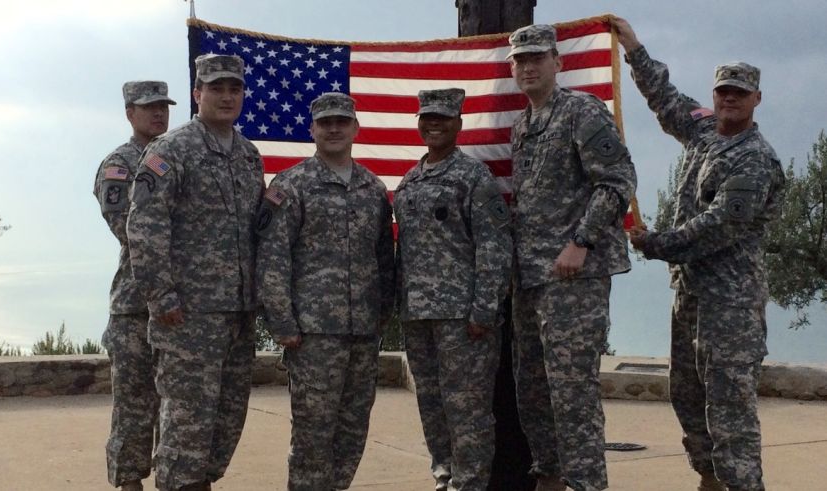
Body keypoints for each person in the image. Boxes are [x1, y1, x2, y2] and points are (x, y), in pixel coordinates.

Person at [613, 18, 786, 491]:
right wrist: (633, 49)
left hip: (730, 304)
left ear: (756, 99)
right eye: (722, 92)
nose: (729, 99)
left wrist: (655, 243)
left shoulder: (754, 157)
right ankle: (709, 479)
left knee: (730, 409)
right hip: (689, 294)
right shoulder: (705, 132)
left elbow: (718, 228)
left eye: (739, 92)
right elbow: (666, 101)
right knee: (687, 396)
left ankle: (743, 485)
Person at [506, 24, 637, 491]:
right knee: (533, 388)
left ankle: (586, 484)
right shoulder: (523, 125)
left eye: (538, 57)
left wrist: (580, 242)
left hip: (574, 277)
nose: (529, 66)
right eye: (521, 60)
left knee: (572, 392)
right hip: (532, 278)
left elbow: (618, 181)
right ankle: (550, 476)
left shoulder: (581, 111)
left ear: (557, 63)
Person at [126, 54, 265, 491]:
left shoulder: (247, 155)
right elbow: (144, 228)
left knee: (226, 420)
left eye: (235, 89)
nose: (227, 97)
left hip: (239, 314)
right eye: (217, 88)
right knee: (186, 426)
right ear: (197, 94)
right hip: (188, 316)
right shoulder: (171, 150)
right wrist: (161, 298)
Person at [256, 92, 395, 491]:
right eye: (326, 122)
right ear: (312, 129)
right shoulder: (291, 185)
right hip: (313, 335)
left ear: (355, 128)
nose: (334, 129)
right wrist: (282, 321)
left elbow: (384, 258)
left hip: (363, 331)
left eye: (342, 122)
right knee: (313, 435)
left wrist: (381, 315)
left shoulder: (372, 188)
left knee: (353, 431)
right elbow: (273, 256)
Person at [394, 88, 512, 490]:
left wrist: (483, 309)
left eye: (442, 119)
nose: (434, 125)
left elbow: (494, 245)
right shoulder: (408, 182)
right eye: (427, 118)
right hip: (418, 316)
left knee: (468, 410)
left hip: (463, 318)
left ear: (458, 125)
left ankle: (472, 484)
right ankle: (445, 477)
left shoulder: (473, 177)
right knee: (432, 406)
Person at [94, 80, 175, 491]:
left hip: (180, 304)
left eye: (163, 106)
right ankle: (128, 482)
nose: (159, 114)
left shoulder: (179, 155)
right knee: (134, 404)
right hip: (134, 307)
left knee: (176, 406)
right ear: (130, 113)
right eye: (149, 108)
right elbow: (130, 229)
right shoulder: (119, 165)